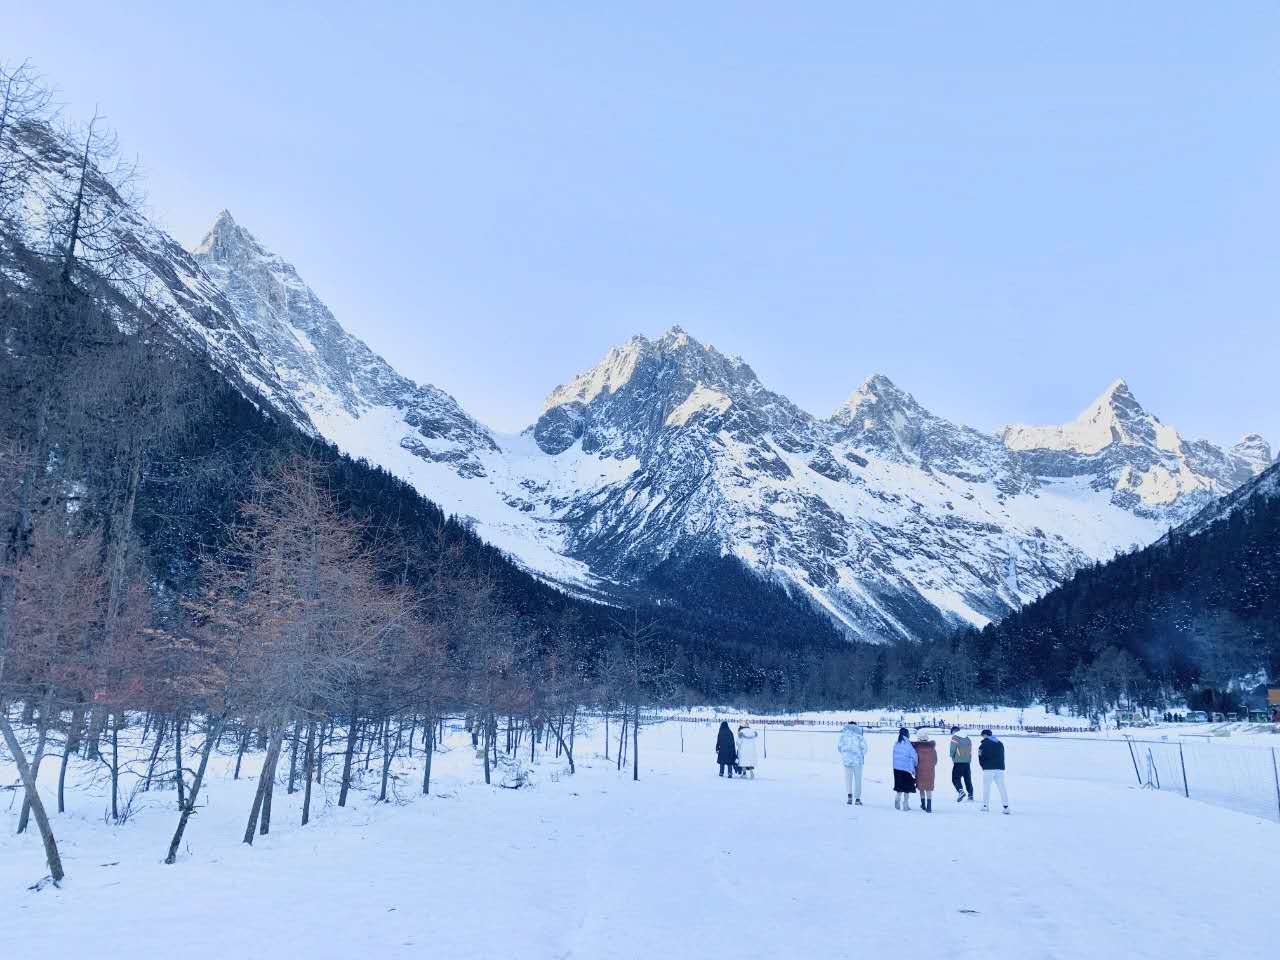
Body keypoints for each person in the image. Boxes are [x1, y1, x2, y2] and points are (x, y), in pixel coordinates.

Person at [978, 729, 1009, 814]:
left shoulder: (983, 744)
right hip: (1000, 768)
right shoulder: (1000, 743)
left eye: (983, 735)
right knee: (1002, 787)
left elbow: (980, 756)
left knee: (986, 787)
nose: (982, 737)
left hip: (988, 769)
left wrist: (983, 766)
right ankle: (1006, 806)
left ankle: (985, 806)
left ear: (985, 735)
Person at [837, 721, 868, 805]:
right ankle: (857, 799)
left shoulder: (843, 736)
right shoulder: (859, 736)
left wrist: (845, 754)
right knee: (858, 780)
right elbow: (865, 749)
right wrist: (860, 754)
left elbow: (839, 748)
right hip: (858, 762)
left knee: (848, 779)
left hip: (847, 761)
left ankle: (849, 797)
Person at [891, 726, 918, 811]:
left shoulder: (896, 743)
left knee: (899, 786)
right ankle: (905, 805)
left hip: (896, 768)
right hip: (906, 769)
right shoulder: (908, 744)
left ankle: (897, 798)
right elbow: (914, 756)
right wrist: (915, 765)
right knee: (907, 787)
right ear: (907, 734)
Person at [914, 731, 938, 813]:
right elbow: (935, 760)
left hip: (920, 771)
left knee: (921, 788)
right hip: (930, 771)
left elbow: (915, 761)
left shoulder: (916, 748)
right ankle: (929, 807)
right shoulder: (932, 749)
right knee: (928, 788)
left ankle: (923, 804)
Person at [949, 726, 974, 802]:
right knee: (967, 778)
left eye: (952, 732)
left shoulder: (955, 737)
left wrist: (952, 756)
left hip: (958, 762)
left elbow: (952, 749)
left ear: (954, 731)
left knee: (955, 778)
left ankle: (960, 791)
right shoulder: (968, 738)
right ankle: (970, 794)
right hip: (967, 762)